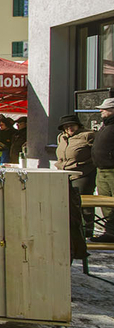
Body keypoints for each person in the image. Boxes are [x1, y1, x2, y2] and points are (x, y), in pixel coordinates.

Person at [56, 114, 96, 245]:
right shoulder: (62, 138)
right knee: (67, 202)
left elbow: (96, 152)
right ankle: (72, 229)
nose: (69, 128)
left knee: (83, 202)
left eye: (71, 125)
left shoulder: (88, 135)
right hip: (64, 173)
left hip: (82, 173)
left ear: (78, 125)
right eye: (66, 127)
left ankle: (87, 229)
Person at [91, 99, 114, 243]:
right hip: (102, 169)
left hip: (112, 170)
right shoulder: (106, 125)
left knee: (112, 203)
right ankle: (110, 232)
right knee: (105, 203)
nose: (101, 111)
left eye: (104, 109)